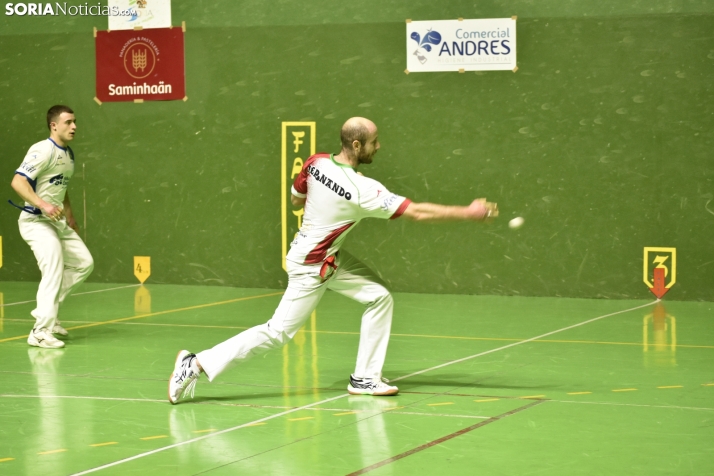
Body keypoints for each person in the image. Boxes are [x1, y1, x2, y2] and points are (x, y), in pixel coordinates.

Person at [168, 117, 498, 403]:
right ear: (356, 145)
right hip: (312, 266)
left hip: (324, 256)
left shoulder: (316, 163)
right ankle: (195, 364)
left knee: (378, 297)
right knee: (277, 332)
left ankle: (366, 378)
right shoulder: (362, 188)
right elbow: (416, 213)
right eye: (374, 142)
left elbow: (297, 200)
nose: (378, 147)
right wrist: (468, 213)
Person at [10, 105, 94, 349]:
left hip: (57, 221)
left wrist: (69, 214)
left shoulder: (68, 154)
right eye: (68, 122)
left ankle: (50, 313)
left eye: (75, 121)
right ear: (53, 125)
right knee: (54, 265)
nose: (74, 126)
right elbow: (18, 181)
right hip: (35, 220)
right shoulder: (42, 150)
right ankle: (40, 331)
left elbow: (61, 186)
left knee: (83, 263)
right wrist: (42, 204)